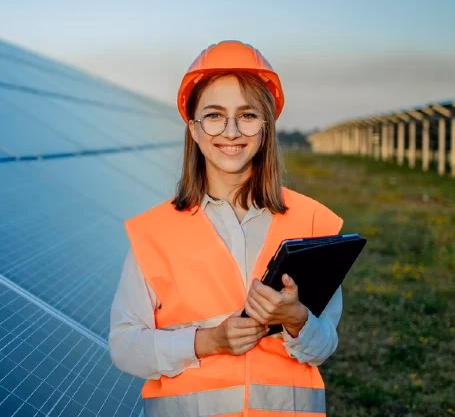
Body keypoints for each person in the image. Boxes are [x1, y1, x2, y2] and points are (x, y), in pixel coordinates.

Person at [109, 40, 344, 416]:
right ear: (194, 130)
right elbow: (124, 347)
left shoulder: (314, 223)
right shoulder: (154, 232)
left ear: (266, 128)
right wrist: (208, 341)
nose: (231, 131)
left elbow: (322, 347)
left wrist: (295, 319)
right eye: (214, 115)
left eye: (248, 115)